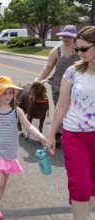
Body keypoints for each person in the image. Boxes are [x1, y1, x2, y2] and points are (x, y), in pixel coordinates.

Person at [0, 76, 47, 219]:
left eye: (10, 92)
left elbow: (29, 126)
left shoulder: (17, 111)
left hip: (10, 151)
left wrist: (40, 136)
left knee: (3, 184)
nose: (8, 96)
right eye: (4, 93)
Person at [48, 26, 95, 220]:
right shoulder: (72, 72)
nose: (79, 53)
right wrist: (52, 134)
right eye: (78, 49)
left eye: (84, 49)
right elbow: (61, 106)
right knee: (80, 185)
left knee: (92, 187)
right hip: (73, 134)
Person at [38, 25, 81, 146]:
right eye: (64, 36)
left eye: (69, 36)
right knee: (60, 107)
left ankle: (73, 131)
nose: (66, 38)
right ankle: (58, 133)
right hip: (58, 84)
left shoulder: (80, 49)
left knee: (75, 108)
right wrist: (39, 80)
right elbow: (48, 67)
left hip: (76, 83)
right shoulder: (57, 50)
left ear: (74, 37)